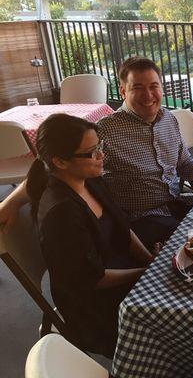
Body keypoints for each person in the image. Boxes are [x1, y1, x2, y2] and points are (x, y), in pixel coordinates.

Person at [0, 56, 193, 248]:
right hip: (139, 222)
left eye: (153, 87)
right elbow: (49, 165)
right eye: (137, 88)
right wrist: (12, 202)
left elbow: (184, 165)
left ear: (161, 88)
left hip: (174, 204)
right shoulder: (104, 130)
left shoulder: (168, 119)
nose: (148, 95)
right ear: (122, 90)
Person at [26, 114, 155, 357]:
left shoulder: (89, 180)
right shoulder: (61, 213)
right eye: (92, 152)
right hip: (96, 308)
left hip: (120, 275)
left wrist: (149, 260)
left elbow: (122, 228)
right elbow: (92, 279)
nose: (101, 155)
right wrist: (146, 272)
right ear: (60, 162)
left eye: (100, 146)